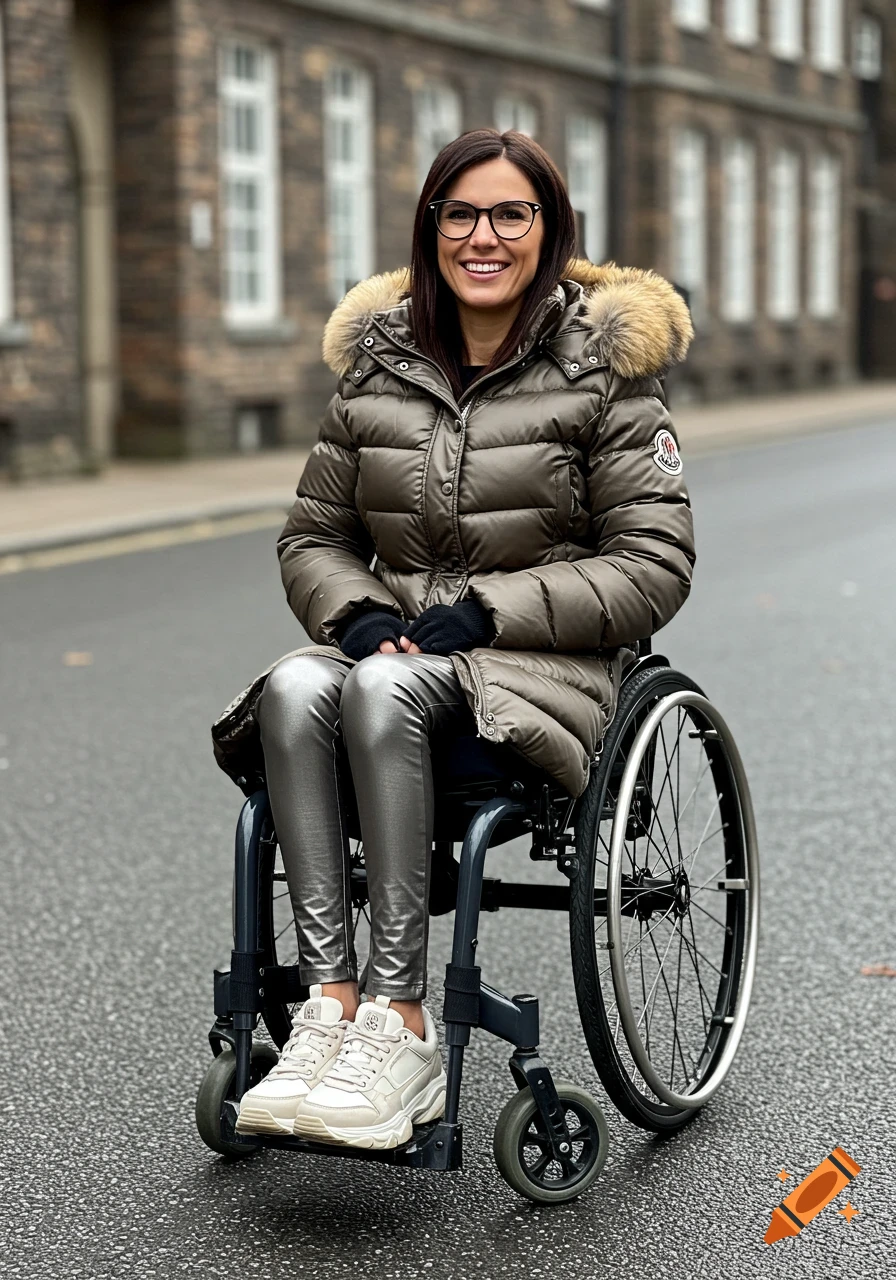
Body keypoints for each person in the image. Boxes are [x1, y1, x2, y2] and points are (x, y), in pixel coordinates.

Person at [215, 128, 696, 1150]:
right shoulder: (375, 370)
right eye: (460, 213)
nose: (483, 235)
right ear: (430, 227)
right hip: (391, 657)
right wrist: (358, 615)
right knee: (298, 686)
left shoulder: (605, 377)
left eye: (509, 214)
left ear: (549, 231)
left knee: (376, 695)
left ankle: (402, 1022)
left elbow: (652, 563)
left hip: (542, 668)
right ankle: (329, 1005)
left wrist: (486, 613)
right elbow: (313, 535)